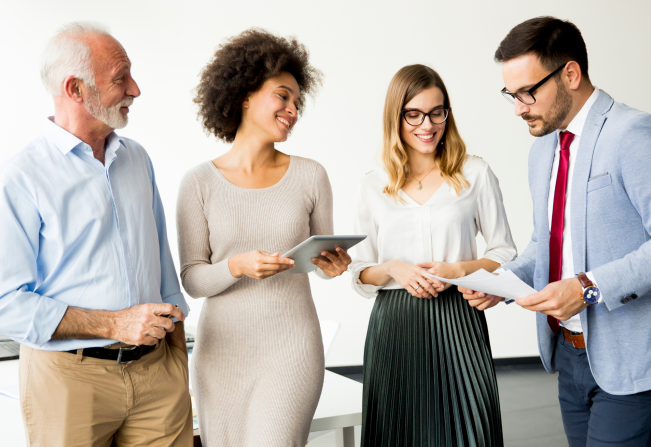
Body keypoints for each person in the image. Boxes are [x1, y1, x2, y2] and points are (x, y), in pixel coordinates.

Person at [461, 16, 651, 447]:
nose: (518, 107)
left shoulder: (632, 134)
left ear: (570, 73)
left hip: (631, 361)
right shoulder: (544, 149)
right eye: (512, 94)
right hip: (568, 355)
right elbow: (547, 246)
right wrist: (501, 284)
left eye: (528, 92)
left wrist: (587, 287)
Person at [0, 22, 192, 447]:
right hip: (68, 382)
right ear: (76, 89)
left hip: (158, 374)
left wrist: (176, 362)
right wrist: (114, 324)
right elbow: (6, 303)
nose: (136, 89)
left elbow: (162, 263)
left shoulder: (136, 158)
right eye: (120, 78)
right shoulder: (20, 178)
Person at [177, 29, 351, 447]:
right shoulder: (198, 183)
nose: (292, 109)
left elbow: (322, 264)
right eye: (282, 96)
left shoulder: (310, 175)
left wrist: (334, 266)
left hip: (291, 349)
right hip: (222, 355)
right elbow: (193, 280)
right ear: (243, 96)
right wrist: (237, 265)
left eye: (296, 100)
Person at [349, 64, 517, 447]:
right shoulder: (373, 185)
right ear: (397, 116)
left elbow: (504, 250)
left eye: (437, 112)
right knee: (399, 432)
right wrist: (394, 268)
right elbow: (358, 270)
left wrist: (461, 268)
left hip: (459, 317)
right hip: (395, 325)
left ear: (447, 114)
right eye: (414, 114)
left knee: (471, 430)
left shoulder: (475, 173)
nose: (428, 124)